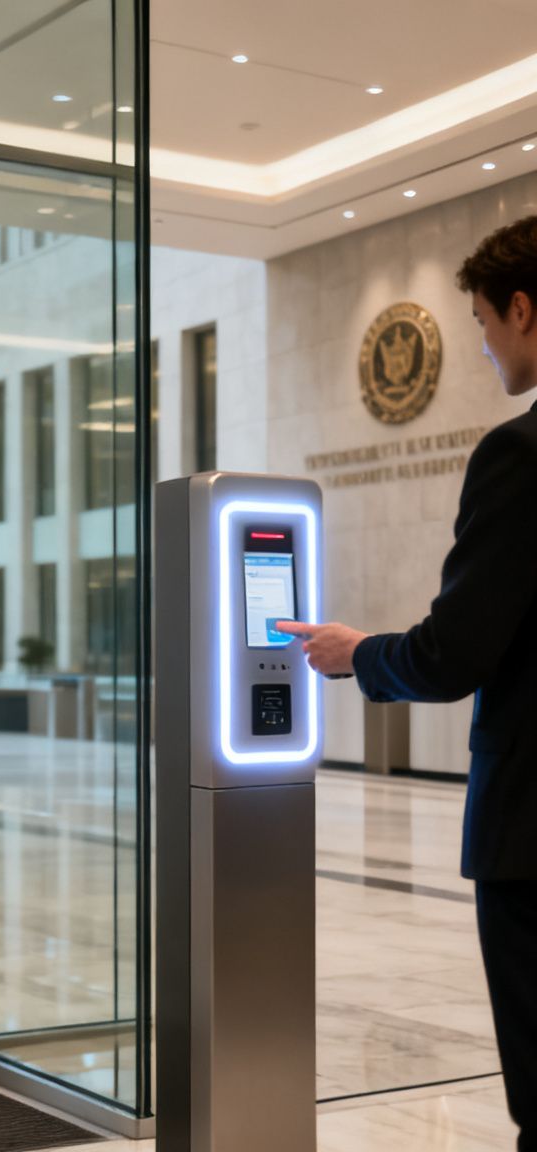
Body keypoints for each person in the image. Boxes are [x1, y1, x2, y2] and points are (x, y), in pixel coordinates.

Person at [278, 216, 537, 1149]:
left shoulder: (522, 454)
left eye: (481, 321)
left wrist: (360, 654)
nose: (480, 343)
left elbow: (457, 650)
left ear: (522, 308)